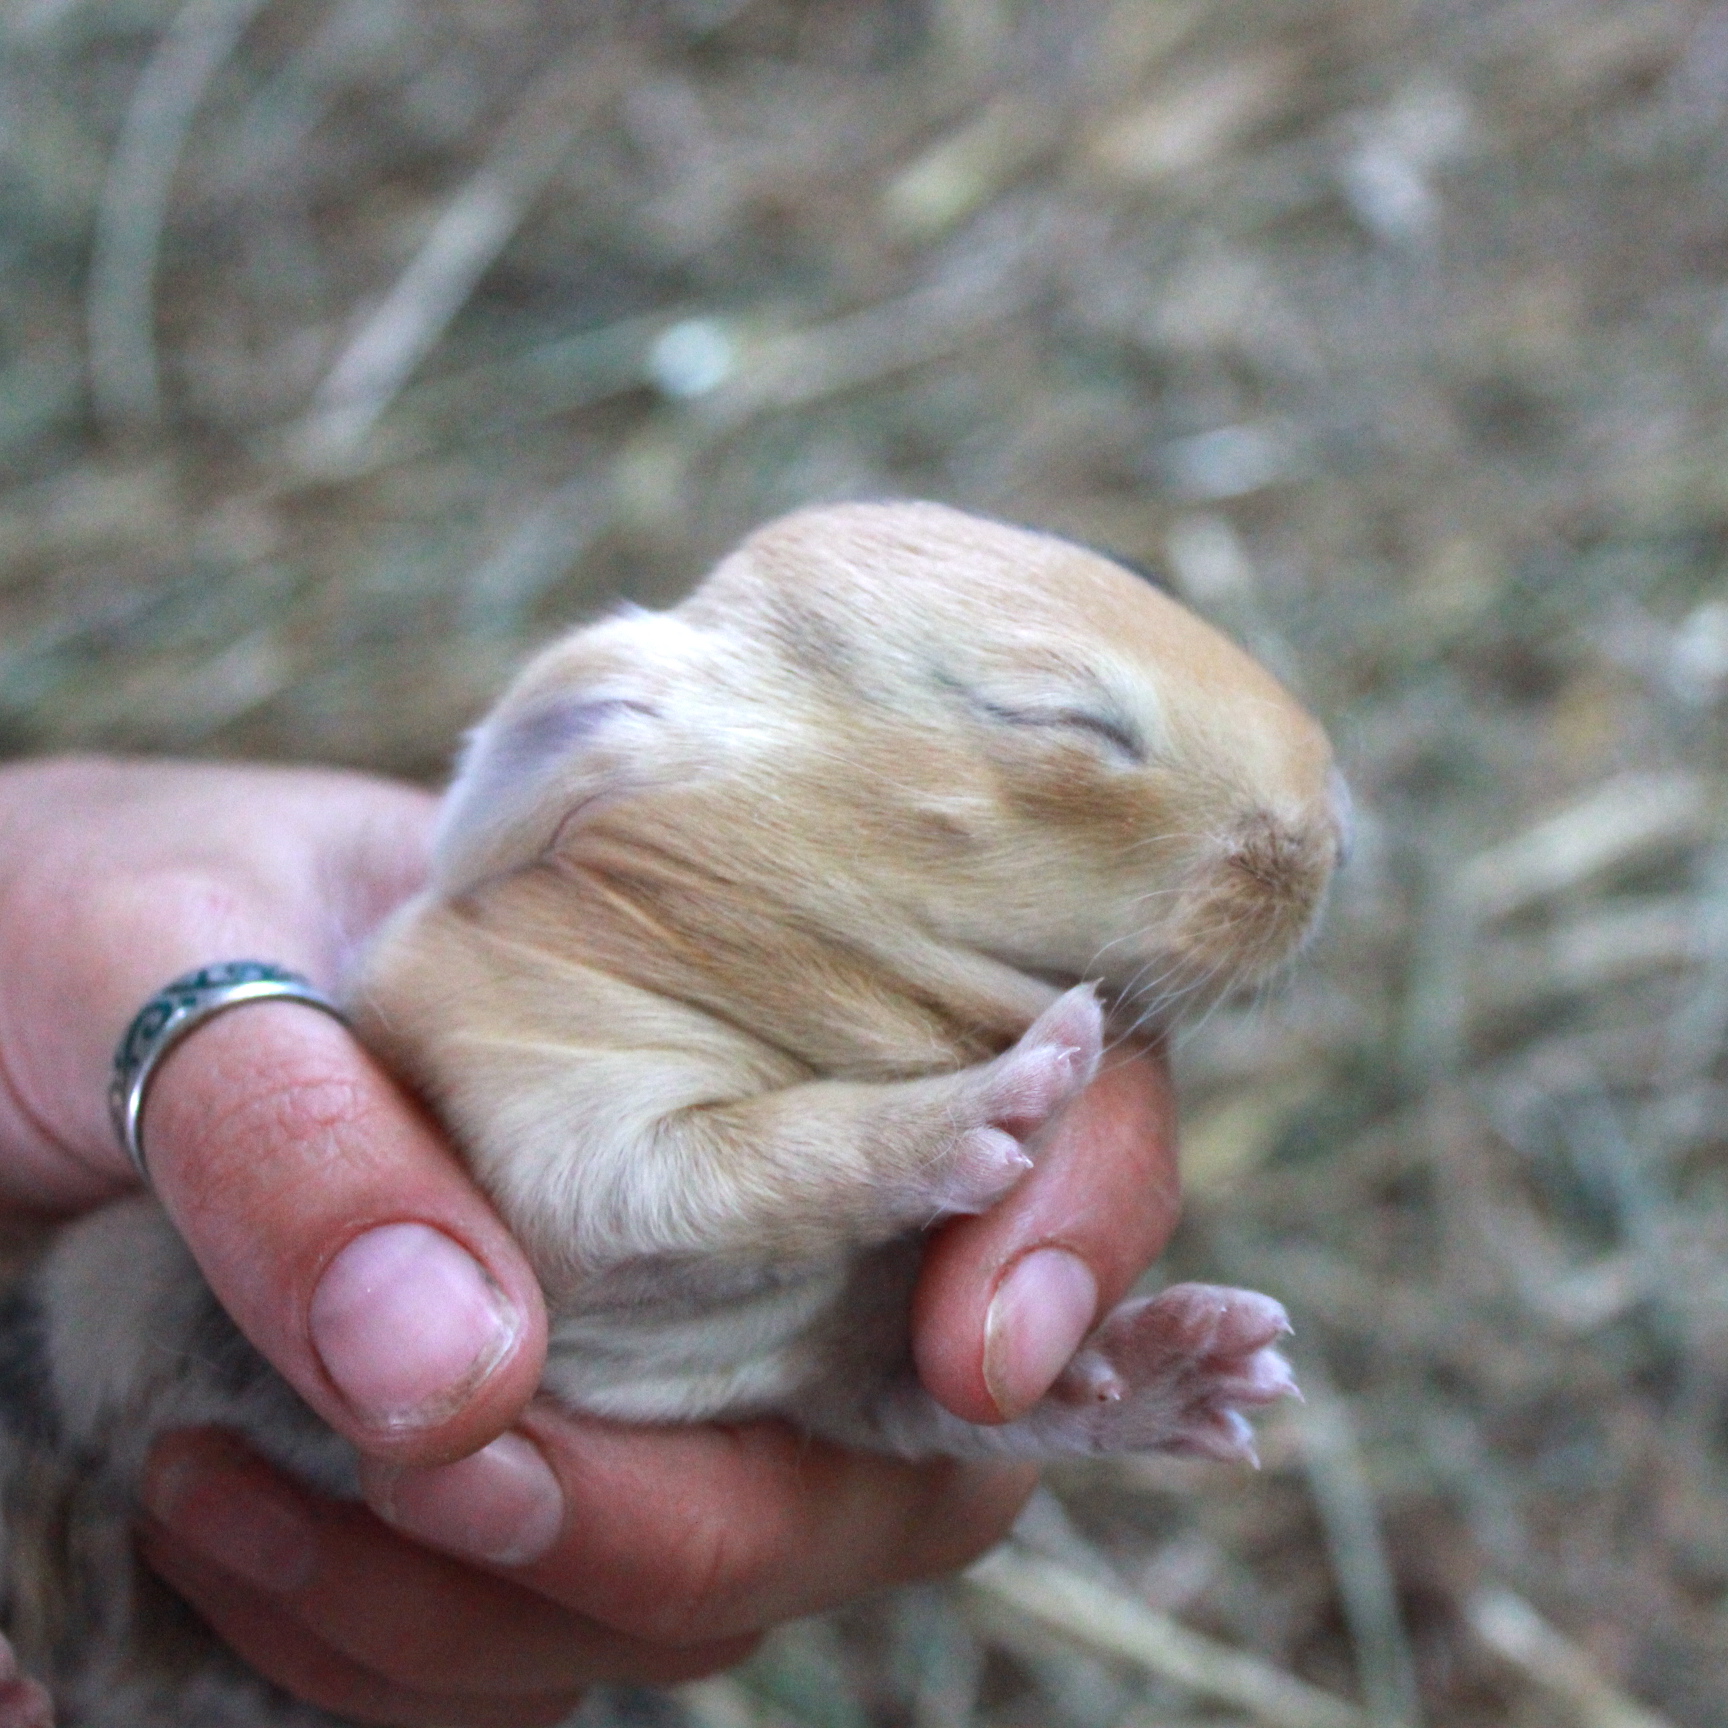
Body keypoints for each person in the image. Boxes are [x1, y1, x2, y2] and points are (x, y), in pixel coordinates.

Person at [0, 754, 1182, 1727]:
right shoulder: (555, 984)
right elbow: (621, 1189)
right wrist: (910, 1146)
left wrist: (1010, 1393)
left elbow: (794, 1377)